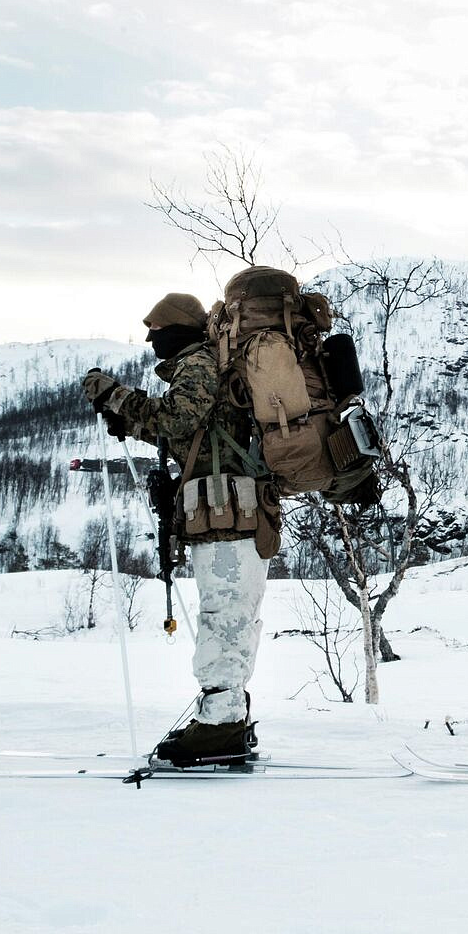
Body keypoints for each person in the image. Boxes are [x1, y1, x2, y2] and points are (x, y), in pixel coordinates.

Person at [83, 292, 274, 767]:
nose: (150, 340)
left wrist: (115, 395)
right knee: (232, 615)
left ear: (178, 332)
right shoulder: (208, 366)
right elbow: (192, 432)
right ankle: (226, 713)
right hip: (231, 511)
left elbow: (178, 417)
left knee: (223, 616)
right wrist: (130, 422)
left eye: (157, 331)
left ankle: (221, 725)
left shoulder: (197, 362)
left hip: (227, 511)